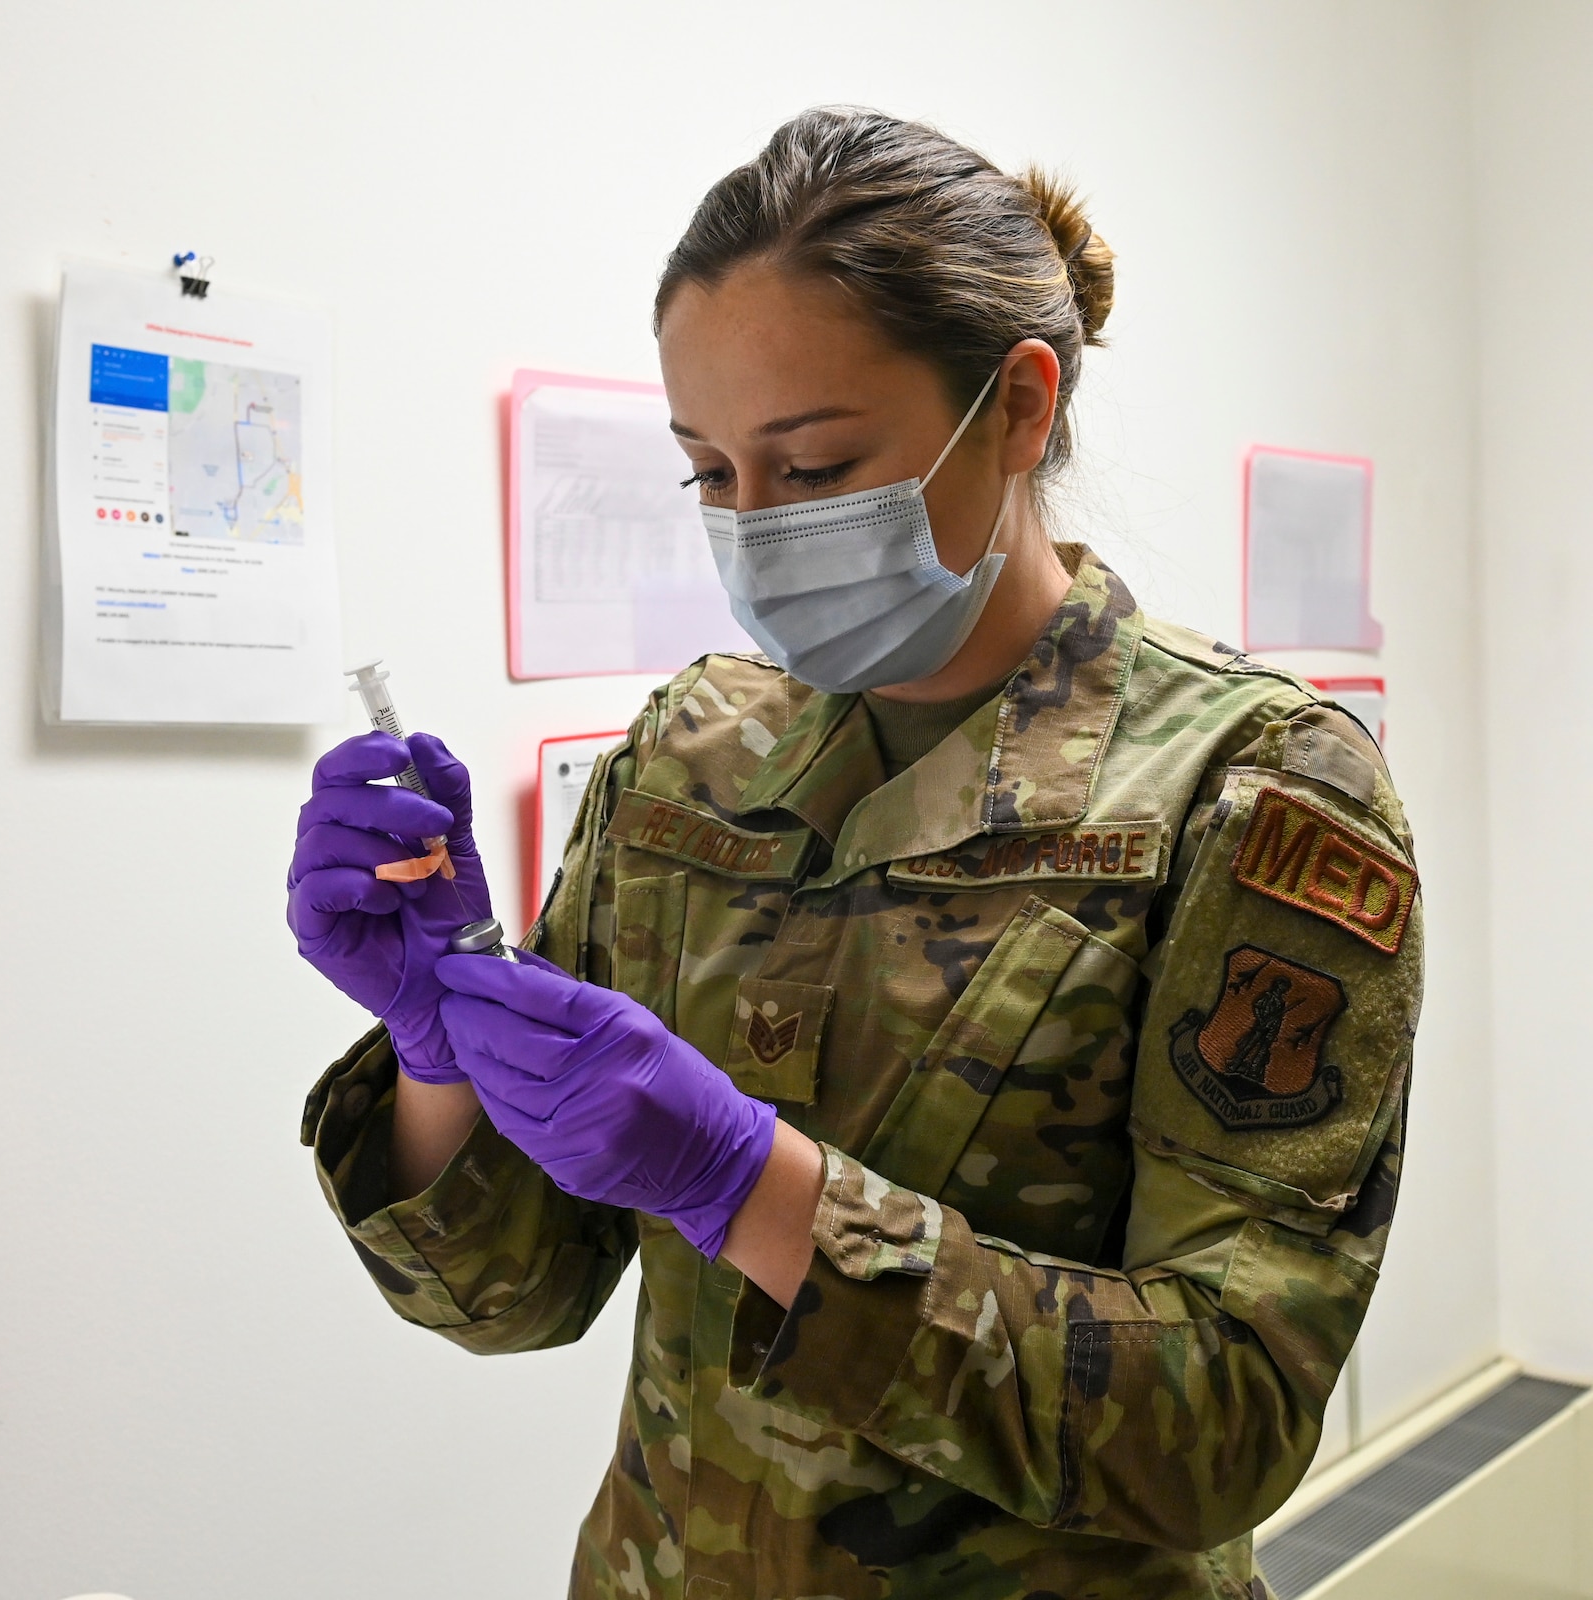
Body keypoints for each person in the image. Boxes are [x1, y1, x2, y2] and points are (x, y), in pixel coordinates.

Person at [289, 108, 1421, 1600]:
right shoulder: (692, 753)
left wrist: (750, 1182)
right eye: (710, 473)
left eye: (815, 468)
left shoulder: (1252, 788)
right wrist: (439, 1043)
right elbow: (515, 1292)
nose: (754, 531)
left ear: (1019, 408)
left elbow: (1220, 1424)